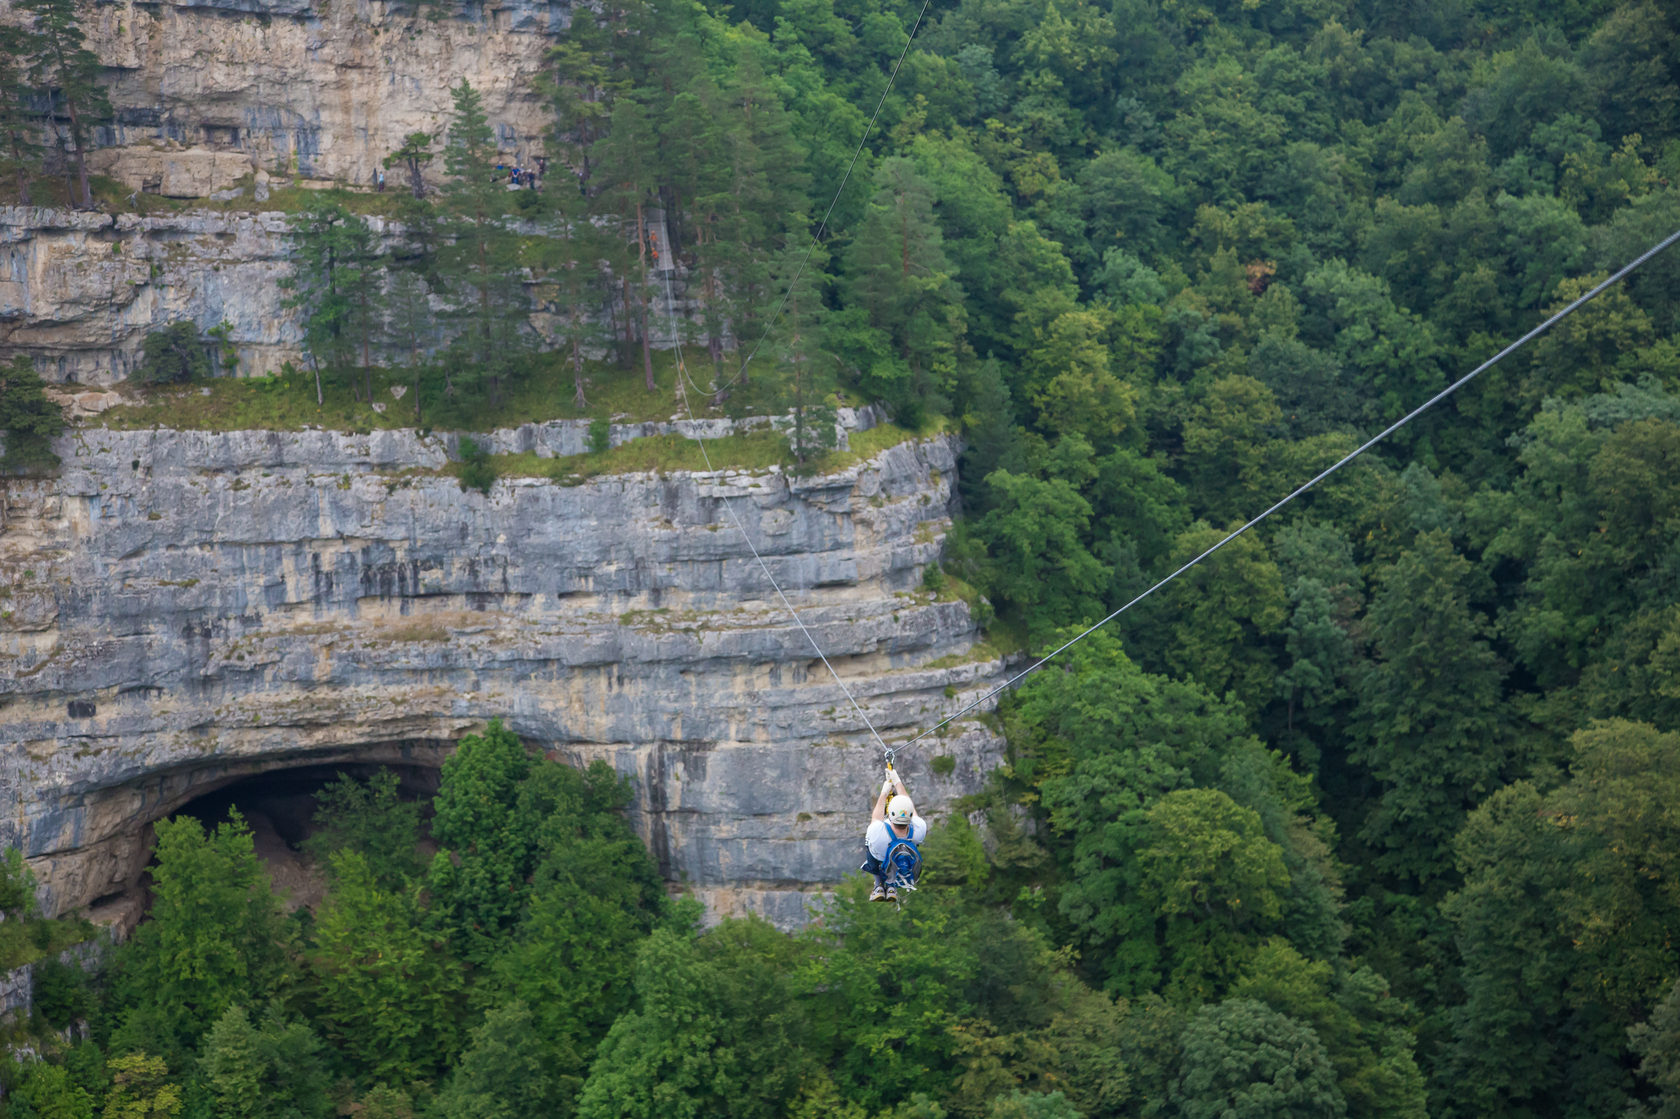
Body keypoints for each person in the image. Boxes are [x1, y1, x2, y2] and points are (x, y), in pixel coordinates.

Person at [861, 764, 926, 901]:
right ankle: (891, 886)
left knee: (869, 840)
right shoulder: (919, 829)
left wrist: (884, 793)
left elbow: (876, 817)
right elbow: (909, 807)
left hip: (879, 859)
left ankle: (878, 885)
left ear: (890, 814)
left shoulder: (878, 831)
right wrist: (897, 782)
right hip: (901, 861)